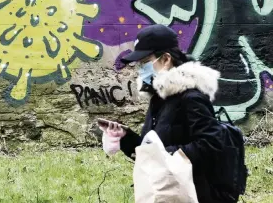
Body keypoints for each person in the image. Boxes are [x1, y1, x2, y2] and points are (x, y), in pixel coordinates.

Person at [98, 25, 236, 203]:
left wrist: (168, 155)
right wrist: (124, 138)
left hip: (194, 194)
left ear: (165, 59)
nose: (140, 69)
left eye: (144, 62)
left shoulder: (191, 97)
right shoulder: (159, 97)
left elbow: (212, 143)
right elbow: (153, 151)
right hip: (167, 192)